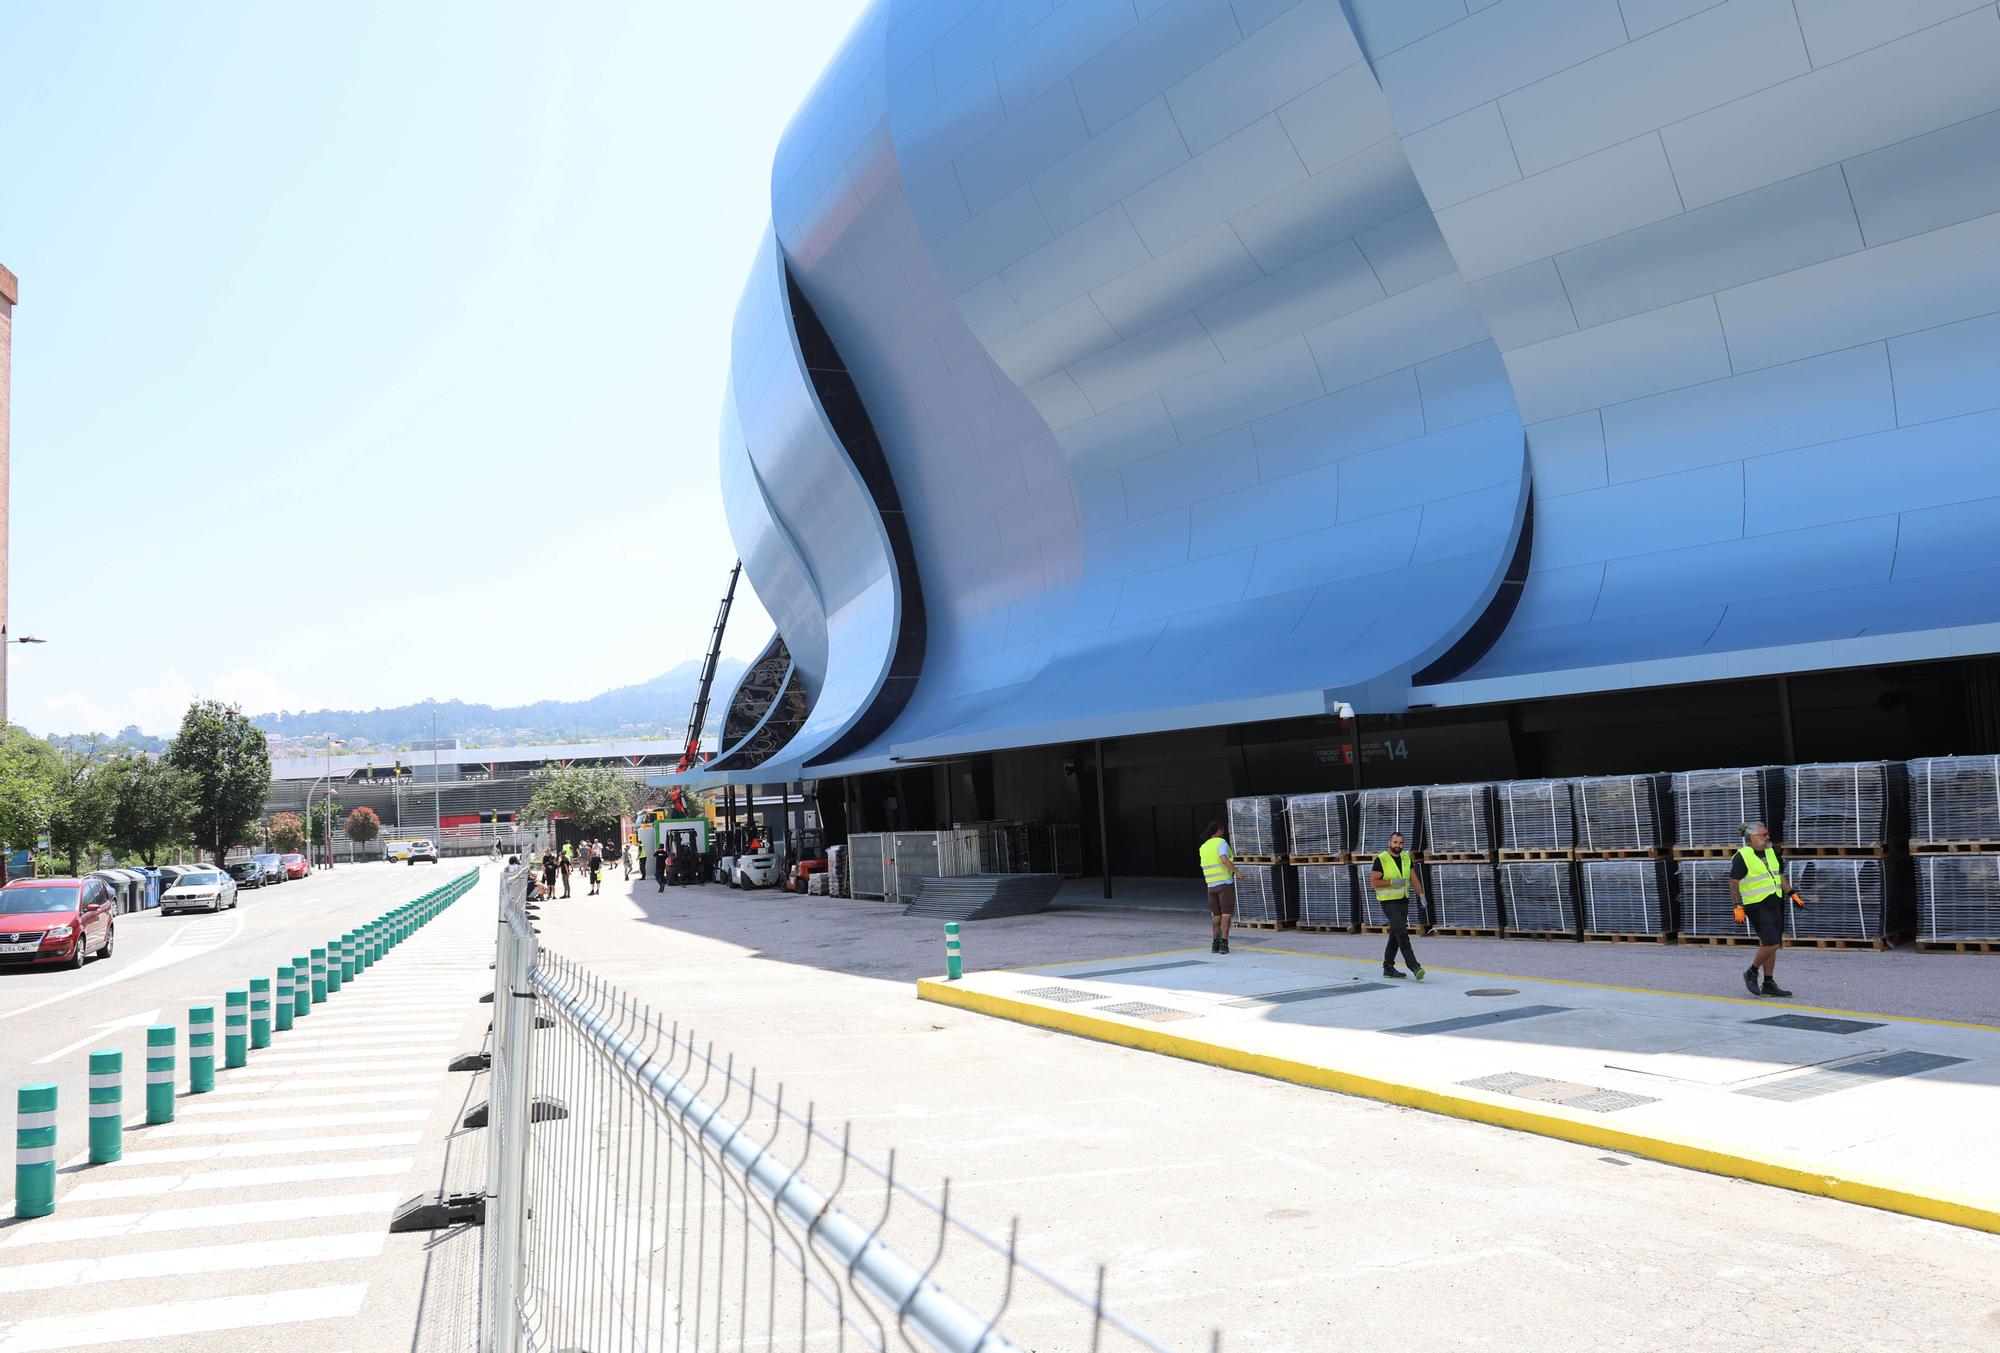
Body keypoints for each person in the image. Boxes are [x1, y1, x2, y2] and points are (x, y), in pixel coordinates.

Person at [1732, 822, 1809, 998]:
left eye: (1767, 834)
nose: (1768, 837)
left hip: (1774, 902)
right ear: (1753, 838)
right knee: (1772, 942)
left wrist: (1792, 893)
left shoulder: (1770, 851)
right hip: (1756, 905)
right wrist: (1737, 905)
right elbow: (1734, 882)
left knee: (1771, 945)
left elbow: (1778, 875)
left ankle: (1768, 984)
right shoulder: (1742, 856)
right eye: (1764, 835)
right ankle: (1751, 972)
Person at [1371, 831, 1425, 980]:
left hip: (1403, 901)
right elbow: (1374, 882)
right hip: (1388, 902)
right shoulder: (1381, 859)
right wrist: (1391, 882)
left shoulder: (1406, 858)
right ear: (1390, 843)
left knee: (1395, 934)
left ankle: (1388, 967)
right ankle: (1414, 965)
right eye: (1395, 843)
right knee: (1402, 932)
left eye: (1400, 843)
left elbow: (1413, 878)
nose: (1398, 846)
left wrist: (1421, 894)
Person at [1198, 821, 1235, 954]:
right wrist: (1237, 871)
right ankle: (1224, 943)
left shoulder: (1203, 846)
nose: (1223, 833)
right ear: (1219, 830)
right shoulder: (1221, 843)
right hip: (1224, 883)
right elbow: (1224, 859)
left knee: (1216, 915)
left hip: (1210, 886)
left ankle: (1215, 943)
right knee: (1226, 914)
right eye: (1223, 830)